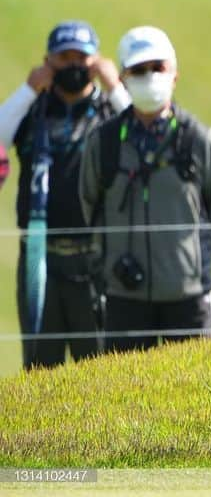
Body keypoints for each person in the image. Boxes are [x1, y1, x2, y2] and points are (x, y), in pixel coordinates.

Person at [79, 26, 211, 353]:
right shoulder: (104, 143)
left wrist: (191, 263)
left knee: (198, 395)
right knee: (126, 396)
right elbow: (90, 205)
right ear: (122, 78)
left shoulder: (199, 139)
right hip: (124, 297)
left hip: (189, 298)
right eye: (138, 69)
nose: (149, 76)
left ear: (174, 75)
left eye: (157, 68)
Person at [0, 21, 130, 370]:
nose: (73, 66)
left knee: (102, 366)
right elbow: (0, 133)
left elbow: (140, 129)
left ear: (96, 61)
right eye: (64, 58)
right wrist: (29, 90)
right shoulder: (33, 111)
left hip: (96, 259)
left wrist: (114, 85)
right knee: (41, 368)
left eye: (82, 58)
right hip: (40, 259)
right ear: (48, 61)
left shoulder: (109, 112)